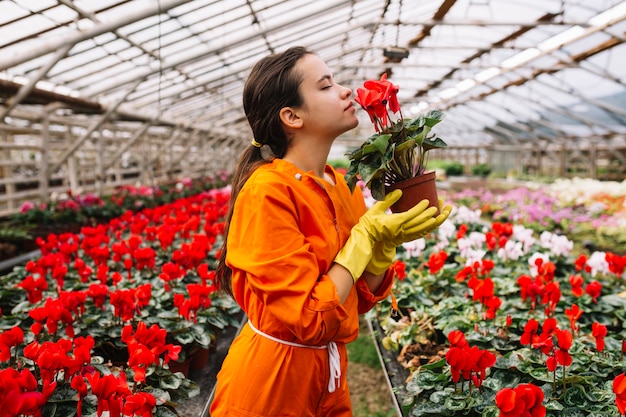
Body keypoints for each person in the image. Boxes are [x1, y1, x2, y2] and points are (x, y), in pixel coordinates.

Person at [209, 46, 451, 416]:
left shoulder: (341, 184)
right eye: (325, 86)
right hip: (271, 385)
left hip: (330, 376)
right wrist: (363, 239)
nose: (344, 91)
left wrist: (381, 248)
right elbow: (309, 318)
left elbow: (355, 299)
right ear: (291, 116)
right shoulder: (267, 193)